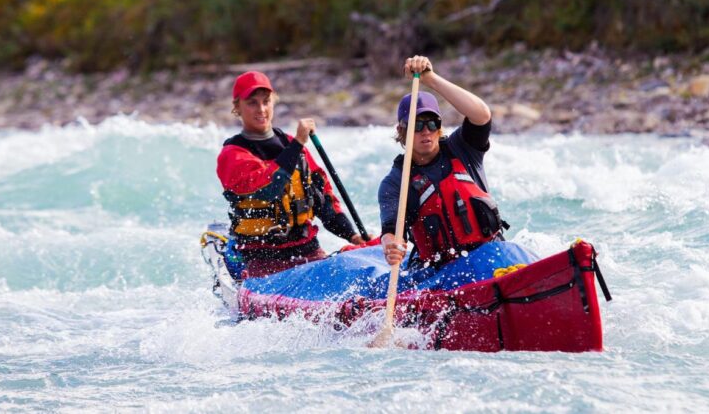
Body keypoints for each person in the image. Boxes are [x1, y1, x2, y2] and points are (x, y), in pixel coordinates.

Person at [217, 71, 368, 279]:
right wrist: (297, 143)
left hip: (307, 251)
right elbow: (269, 189)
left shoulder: (293, 146)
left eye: (266, 101)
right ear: (237, 108)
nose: (261, 109)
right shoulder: (233, 154)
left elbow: (323, 200)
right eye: (252, 103)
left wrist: (353, 235)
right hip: (261, 259)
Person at [378, 55, 508, 269]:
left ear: (439, 127)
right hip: (442, 271)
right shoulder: (396, 182)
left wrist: (431, 79)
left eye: (432, 123)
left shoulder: (463, 148)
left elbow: (482, 115)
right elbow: (391, 230)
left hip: (489, 256)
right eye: (417, 125)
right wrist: (391, 245)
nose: (426, 131)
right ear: (401, 132)